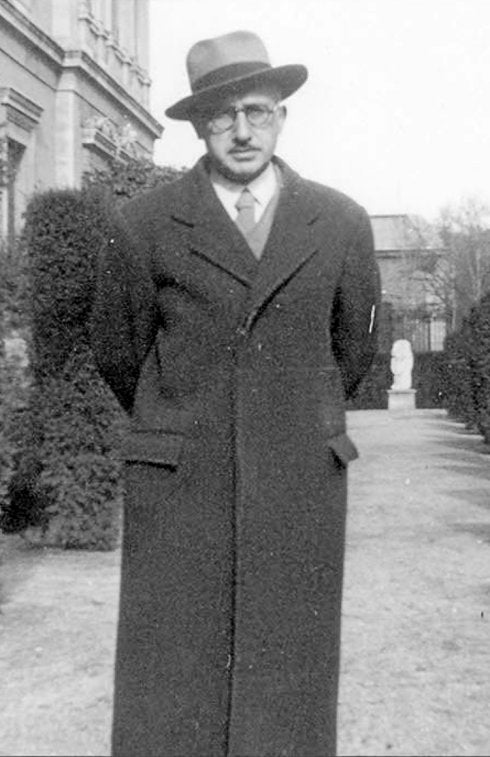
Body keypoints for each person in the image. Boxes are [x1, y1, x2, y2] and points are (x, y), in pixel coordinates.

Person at [90, 29, 381, 757]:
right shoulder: (143, 225)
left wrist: (286, 414)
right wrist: (188, 421)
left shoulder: (340, 222)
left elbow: (352, 350)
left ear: (282, 115)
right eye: (223, 115)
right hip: (181, 484)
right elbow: (120, 351)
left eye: (257, 110)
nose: (243, 130)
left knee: (289, 668)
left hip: (298, 480)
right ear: (198, 125)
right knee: (173, 675)